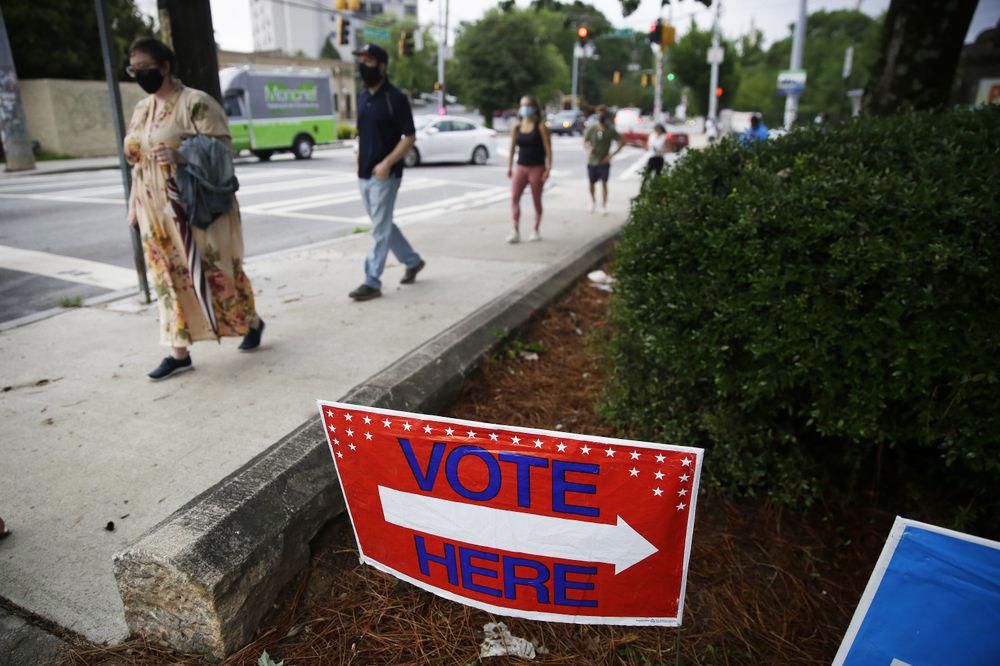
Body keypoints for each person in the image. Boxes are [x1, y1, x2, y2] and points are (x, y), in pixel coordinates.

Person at [123, 37, 264, 381]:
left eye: (145, 67)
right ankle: (179, 352)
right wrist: (134, 205)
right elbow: (138, 163)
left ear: (165, 66)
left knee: (217, 270)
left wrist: (181, 154)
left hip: (194, 208)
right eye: (134, 69)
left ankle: (252, 322)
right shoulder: (142, 109)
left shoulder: (196, 103)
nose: (139, 74)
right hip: (154, 210)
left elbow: (223, 152)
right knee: (167, 277)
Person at [348, 43, 425, 302]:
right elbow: (362, 133)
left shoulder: (395, 98)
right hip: (364, 172)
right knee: (383, 225)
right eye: (362, 61)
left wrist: (387, 163)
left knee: (379, 229)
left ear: (382, 66)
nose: (363, 66)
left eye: (369, 61)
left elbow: (409, 136)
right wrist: (358, 156)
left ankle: (372, 280)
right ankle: (412, 261)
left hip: (385, 175)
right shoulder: (362, 96)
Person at [506, 95, 552, 243]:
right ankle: (515, 230)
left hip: (537, 168)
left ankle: (536, 229)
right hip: (521, 167)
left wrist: (548, 169)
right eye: (522, 105)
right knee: (514, 198)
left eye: (527, 105)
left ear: (534, 108)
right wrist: (509, 167)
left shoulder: (541, 127)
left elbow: (548, 149)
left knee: (536, 200)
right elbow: (512, 149)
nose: (524, 108)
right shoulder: (517, 127)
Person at [582, 110, 623, 215]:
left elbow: (621, 141)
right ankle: (592, 201)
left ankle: (603, 205)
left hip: (604, 161)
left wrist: (611, 156)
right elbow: (584, 141)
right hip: (592, 160)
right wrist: (589, 148)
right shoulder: (592, 128)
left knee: (604, 183)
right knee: (591, 183)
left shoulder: (610, 130)